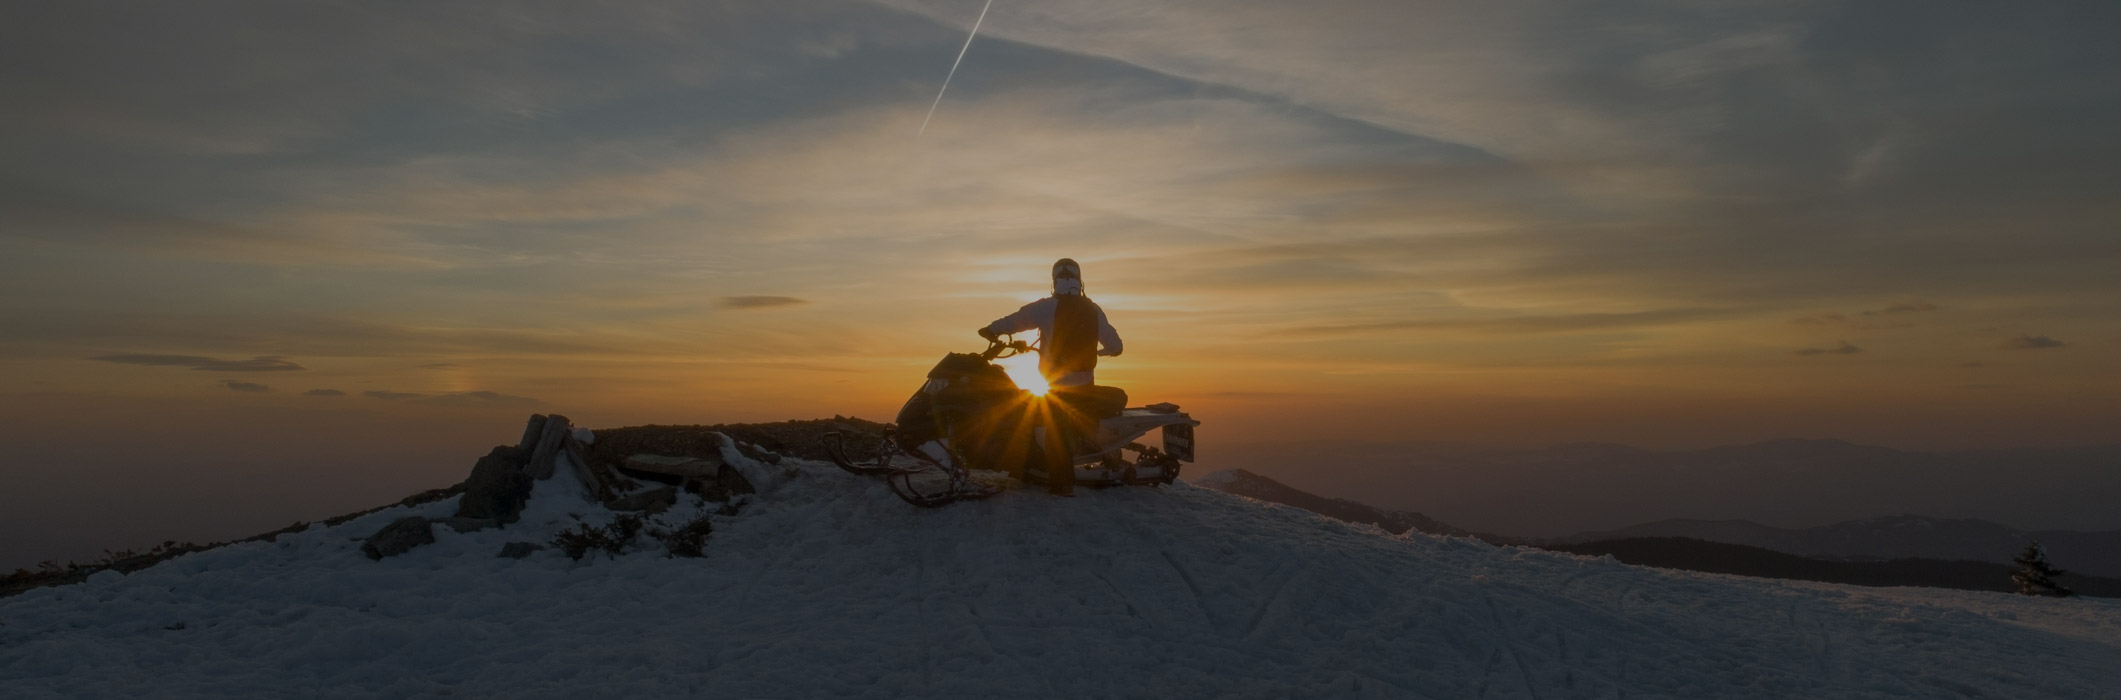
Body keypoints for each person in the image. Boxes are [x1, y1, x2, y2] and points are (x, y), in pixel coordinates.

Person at [977, 258, 1124, 495]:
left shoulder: (1046, 307)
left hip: (1055, 384)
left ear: (1055, 280)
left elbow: (1016, 320)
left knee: (1052, 429)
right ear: (1079, 280)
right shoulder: (1093, 309)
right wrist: (1103, 351)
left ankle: (1062, 484)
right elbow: (1116, 346)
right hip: (1085, 383)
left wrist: (991, 329)